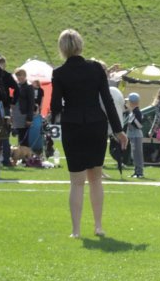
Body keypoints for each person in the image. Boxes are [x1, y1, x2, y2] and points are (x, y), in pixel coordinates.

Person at [51, 28, 127, 238]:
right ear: (80, 45)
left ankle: (76, 231)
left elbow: (56, 106)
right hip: (96, 125)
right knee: (95, 179)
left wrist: (54, 116)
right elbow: (108, 102)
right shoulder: (96, 69)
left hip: (72, 126)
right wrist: (118, 130)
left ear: (62, 49)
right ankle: (98, 226)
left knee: (76, 182)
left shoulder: (59, 73)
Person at [11, 68, 35, 147]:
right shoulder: (17, 85)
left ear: (25, 76)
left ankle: (25, 157)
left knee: (24, 138)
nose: (19, 77)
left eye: (21, 75)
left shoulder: (29, 86)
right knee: (20, 137)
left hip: (23, 115)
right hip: (16, 114)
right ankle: (21, 156)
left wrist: (29, 118)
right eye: (17, 75)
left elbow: (31, 103)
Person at [125, 92, 145, 178]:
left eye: (129, 101)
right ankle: (136, 171)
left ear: (132, 102)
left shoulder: (137, 112)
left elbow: (140, 125)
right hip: (133, 136)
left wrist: (133, 121)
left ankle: (139, 172)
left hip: (137, 136)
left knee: (138, 154)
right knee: (134, 154)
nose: (128, 103)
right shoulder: (132, 112)